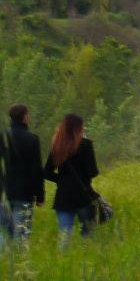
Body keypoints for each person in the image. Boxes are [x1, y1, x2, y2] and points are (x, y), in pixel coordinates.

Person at [44, 113, 100, 243]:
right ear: (79, 128)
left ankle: (62, 261)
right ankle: (87, 260)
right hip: (83, 196)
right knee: (87, 235)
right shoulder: (86, 145)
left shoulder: (57, 146)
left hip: (63, 196)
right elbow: (93, 172)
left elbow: (46, 172)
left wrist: (62, 180)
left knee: (64, 235)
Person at [2, 103, 44, 244]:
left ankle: (5, 259)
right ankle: (18, 262)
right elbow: (36, 170)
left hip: (4, 191)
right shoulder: (32, 139)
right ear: (24, 117)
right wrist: (40, 195)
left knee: (6, 232)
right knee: (20, 233)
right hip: (24, 193)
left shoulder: (3, 137)